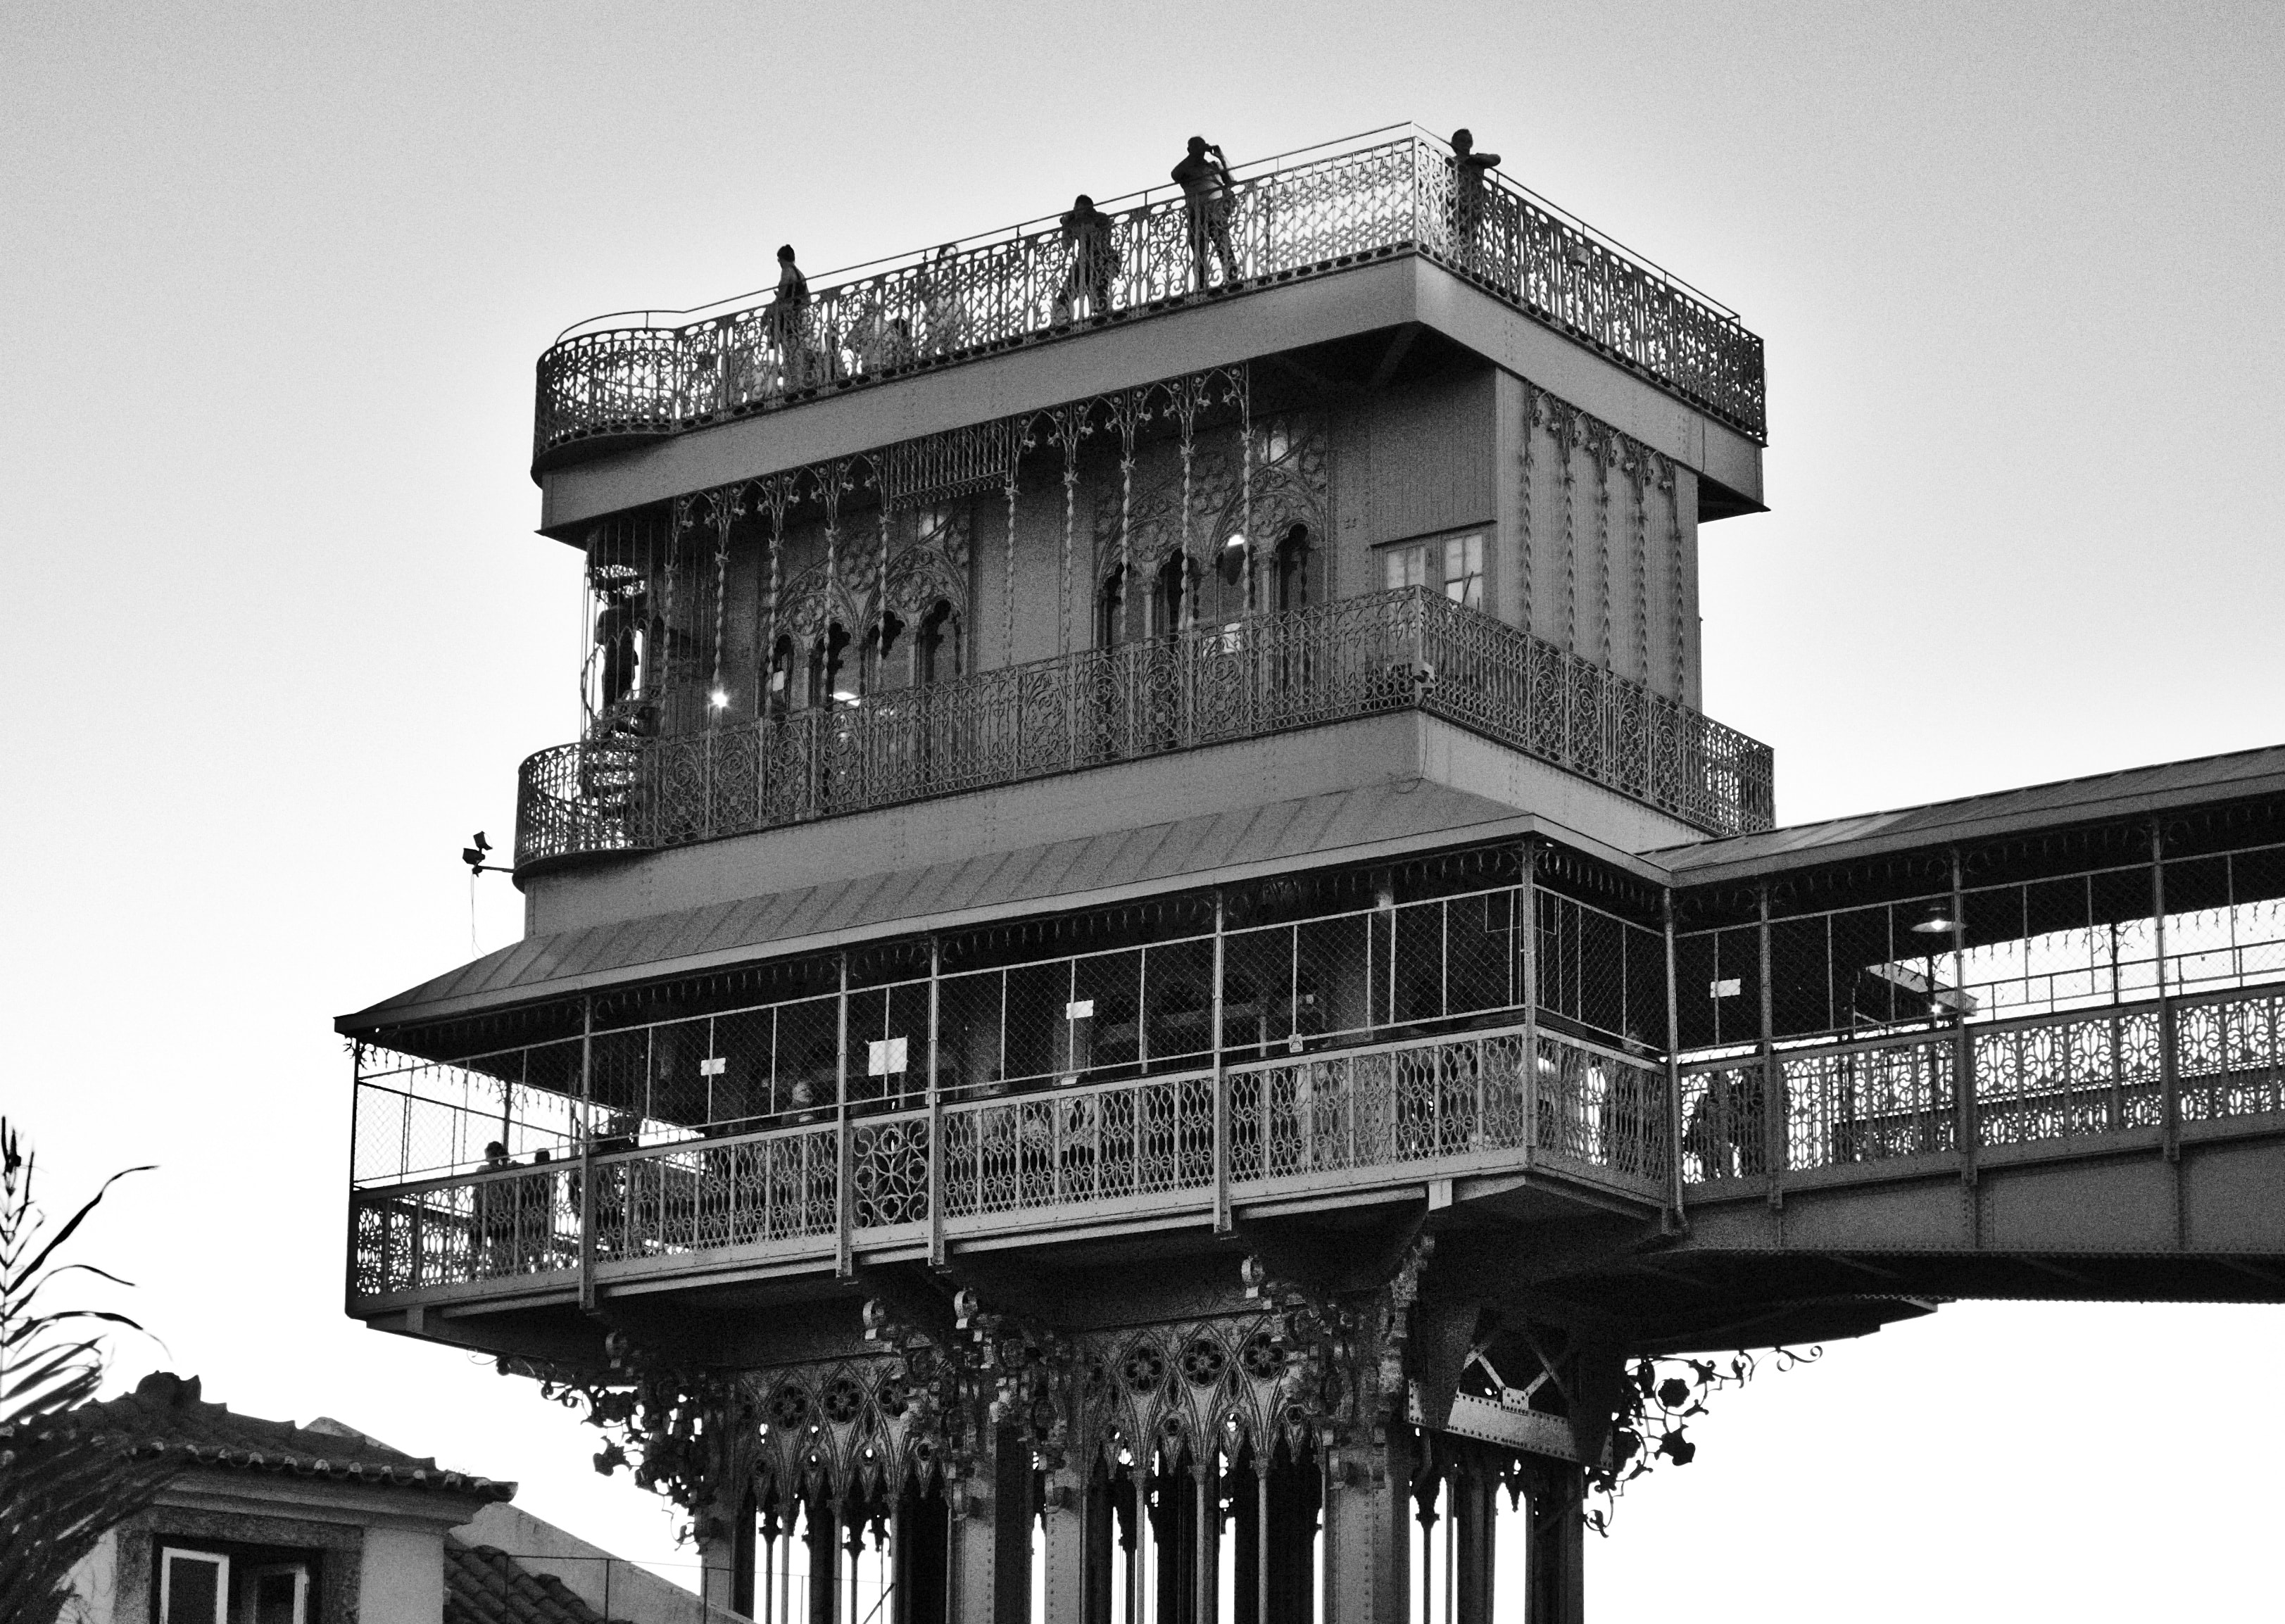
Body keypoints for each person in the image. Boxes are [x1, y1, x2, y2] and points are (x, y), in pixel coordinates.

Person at [1171, 137, 1240, 291]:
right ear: (1189, 150)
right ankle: (1201, 285)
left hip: (1217, 213)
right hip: (1197, 215)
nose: (1201, 149)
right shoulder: (1186, 169)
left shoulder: (1215, 166)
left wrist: (1221, 156)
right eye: (1196, 147)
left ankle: (1232, 277)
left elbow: (1233, 179)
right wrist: (1194, 156)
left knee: (1224, 245)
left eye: (1202, 146)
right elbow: (1175, 174)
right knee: (1199, 252)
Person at [1052, 194, 1121, 323]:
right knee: (1066, 293)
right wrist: (1066, 227)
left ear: (1085, 207)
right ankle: (1062, 318)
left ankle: (1102, 316)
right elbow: (1066, 246)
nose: (1076, 212)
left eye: (1077, 209)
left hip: (1102, 260)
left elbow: (1102, 236)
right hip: (1084, 263)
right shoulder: (1076, 221)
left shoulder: (1100, 218)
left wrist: (1075, 222)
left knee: (1098, 290)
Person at [1448, 129, 1503, 264]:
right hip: (1455, 202)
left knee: (1471, 234)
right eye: (1462, 141)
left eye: (1468, 141)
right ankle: (1451, 259)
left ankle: (1471, 264)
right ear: (1454, 144)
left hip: (1474, 203)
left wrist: (1475, 159)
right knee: (1452, 232)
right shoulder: (1450, 162)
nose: (1466, 144)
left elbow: (1496, 159)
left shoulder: (1477, 159)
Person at [769, 244, 812, 389]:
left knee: (789, 352)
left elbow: (782, 295)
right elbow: (808, 300)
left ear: (782, 259)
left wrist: (769, 310)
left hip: (787, 319)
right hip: (798, 319)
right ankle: (797, 380)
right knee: (796, 350)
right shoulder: (800, 274)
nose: (779, 263)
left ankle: (792, 383)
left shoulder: (787, 271)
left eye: (779, 259)